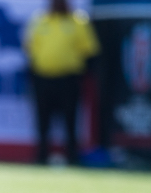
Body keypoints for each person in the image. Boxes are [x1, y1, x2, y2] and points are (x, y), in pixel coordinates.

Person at [24, 0, 100, 165]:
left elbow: (89, 51)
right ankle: (41, 157)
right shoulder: (40, 21)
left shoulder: (79, 21)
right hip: (43, 79)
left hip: (69, 79)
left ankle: (72, 157)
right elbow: (30, 49)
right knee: (42, 121)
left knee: (70, 120)